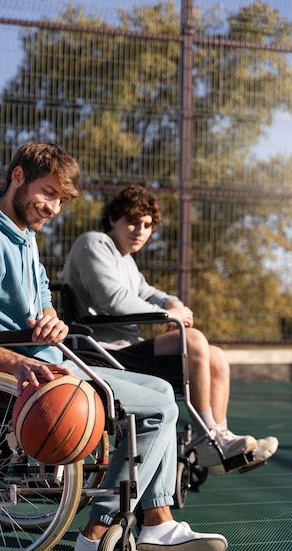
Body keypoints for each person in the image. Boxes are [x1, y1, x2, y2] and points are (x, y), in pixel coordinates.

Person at [0, 142, 227, 551]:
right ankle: (98, 534)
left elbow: (41, 301)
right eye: (47, 192)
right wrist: (20, 363)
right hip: (32, 372)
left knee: (162, 392)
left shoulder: (23, 237)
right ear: (17, 177)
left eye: (60, 198)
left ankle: (156, 522)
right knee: (158, 408)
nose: (53, 206)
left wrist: (52, 318)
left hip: (55, 357)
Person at [61, 185, 279, 474]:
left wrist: (170, 300)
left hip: (123, 350)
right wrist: (167, 313)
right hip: (100, 354)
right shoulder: (95, 243)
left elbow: (146, 291)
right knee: (195, 340)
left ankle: (218, 439)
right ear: (113, 218)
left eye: (147, 225)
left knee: (215, 356)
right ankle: (210, 441)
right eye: (132, 222)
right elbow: (111, 299)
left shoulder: (125, 258)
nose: (140, 230)